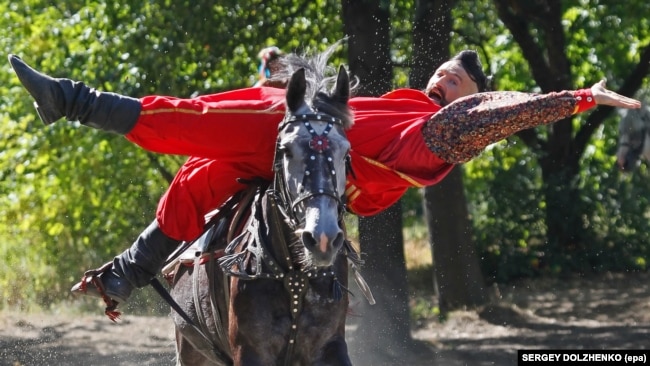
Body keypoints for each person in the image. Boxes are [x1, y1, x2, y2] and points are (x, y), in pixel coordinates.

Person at [7, 47, 641, 312]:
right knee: (201, 173)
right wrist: (280, 74)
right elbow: (326, 99)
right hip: (304, 143)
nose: (447, 79)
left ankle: (71, 99)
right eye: (445, 71)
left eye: (460, 80)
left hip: (331, 162)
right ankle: (125, 271)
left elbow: (497, 113)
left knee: (197, 120)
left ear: (470, 97)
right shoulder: (396, 101)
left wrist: (579, 97)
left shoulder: (440, 130)